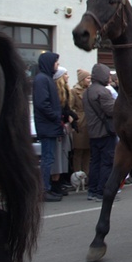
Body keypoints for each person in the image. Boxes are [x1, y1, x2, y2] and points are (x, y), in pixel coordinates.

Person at [83, 63, 118, 202]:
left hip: (93, 132)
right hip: (105, 132)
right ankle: (102, 191)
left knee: (94, 162)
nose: (109, 77)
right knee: (107, 162)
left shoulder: (87, 91)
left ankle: (92, 190)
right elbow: (111, 110)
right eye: (108, 74)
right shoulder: (103, 92)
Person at [33, 52, 64, 202]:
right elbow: (42, 104)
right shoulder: (42, 80)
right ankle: (44, 189)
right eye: (56, 63)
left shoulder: (46, 79)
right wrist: (56, 116)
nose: (57, 65)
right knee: (47, 159)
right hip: (47, 126)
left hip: (49, 126)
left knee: (49, 159)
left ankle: (48, 188)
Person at [52, 67, 77, 197]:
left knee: (64, 155)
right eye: (65, 74)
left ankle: (60, 181)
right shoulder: (56, 91)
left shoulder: (65, 91)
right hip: (59, 126)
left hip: (65, 127)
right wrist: (67, 116)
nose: (68, 76)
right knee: (57, 156)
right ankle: (55, 183)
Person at [70, 69, 92, 175]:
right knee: (78, 151)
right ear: (82, 79)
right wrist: (76, 118)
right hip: (80, 124)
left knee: (88, 151)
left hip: (90, 123)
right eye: (88, 78)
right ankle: (77, 175)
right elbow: (70, 107)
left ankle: (86, 175)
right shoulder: (74, 91)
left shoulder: (90, 90)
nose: (90, 80)